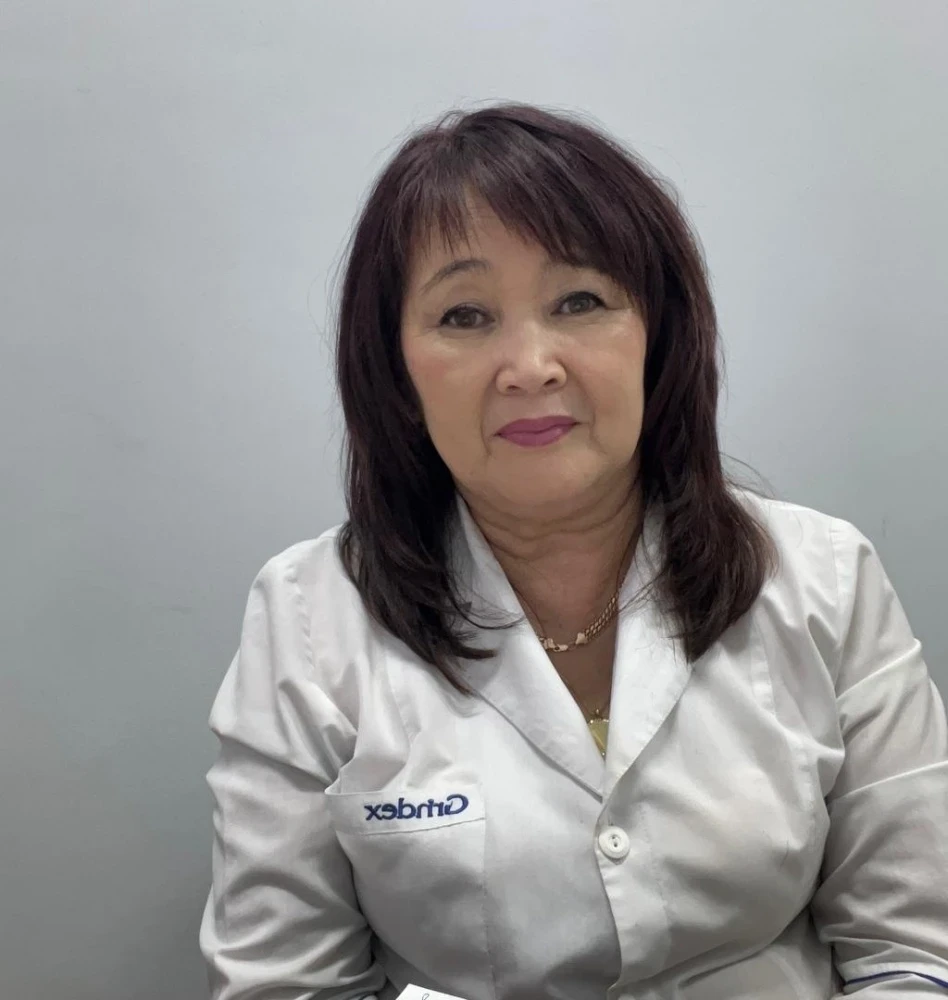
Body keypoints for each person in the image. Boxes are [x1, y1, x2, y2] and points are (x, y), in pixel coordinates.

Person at [199, 102, 948, 1000]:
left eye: (580, 302)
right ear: (396, 369)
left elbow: (914, 949)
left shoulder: (824, 576)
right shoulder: (309, 618)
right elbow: (285, 982)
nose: (530, 366)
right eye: (464, 315)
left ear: (657, 336)